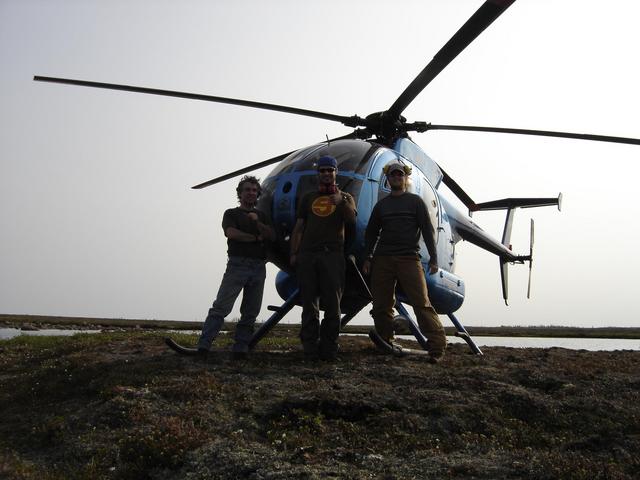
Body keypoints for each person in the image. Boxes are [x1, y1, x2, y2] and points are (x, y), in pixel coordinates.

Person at [362, 160, 447, 363]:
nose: (396, 178)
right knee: (382, 304)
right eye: (392, 175)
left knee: (421, 303)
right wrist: (367, 258)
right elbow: (372, 233)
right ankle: (385, 340)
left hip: (409, 258)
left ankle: (437, 347)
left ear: (405, 178)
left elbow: (428, 230)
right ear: (388, 179)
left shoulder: (416, 202)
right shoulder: (381, 205)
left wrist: (434, 259)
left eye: (400, 175)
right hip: (383, 259)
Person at [197, 175, 274, 359]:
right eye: (247, 190)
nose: (251, 193)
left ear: (258, 195)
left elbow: (271, 236)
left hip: (258, 267)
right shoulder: (231, 213)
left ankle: (241, 348)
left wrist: (257, 223)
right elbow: (232, 234)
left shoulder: (262, 216)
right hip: (237, 265)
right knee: (221, 307)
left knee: (250, 311)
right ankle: (204, 345)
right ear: (240, 194)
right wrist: (255, 238)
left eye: (254, 191)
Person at [290, 155, 357, 361]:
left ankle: (329, 348)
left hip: (333, 256)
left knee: (333, 306)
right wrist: (294, 253)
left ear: (336, 173)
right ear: (317, 174)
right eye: (322, 171)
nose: (326, 174)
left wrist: (340, 202)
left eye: (330, 170)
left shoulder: (346, 197)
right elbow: (299, 228)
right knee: (309, 304)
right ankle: (309, 348)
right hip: (308, 256)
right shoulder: (308, 197)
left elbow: (352, 221)